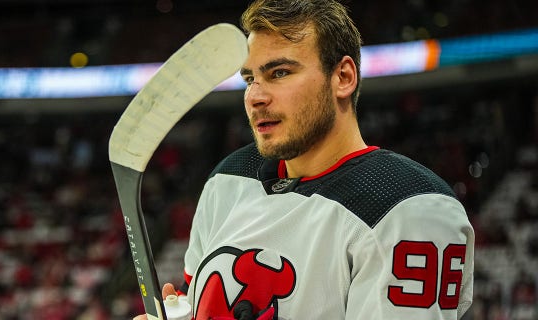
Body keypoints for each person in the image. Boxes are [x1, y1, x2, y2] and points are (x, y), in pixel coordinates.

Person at [136, 0, 474, 319]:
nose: (255, 96)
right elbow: (197, 296)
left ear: (343, 77)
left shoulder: (408, 205)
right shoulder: (229, 178)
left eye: (279, 73)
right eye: (250, 79)